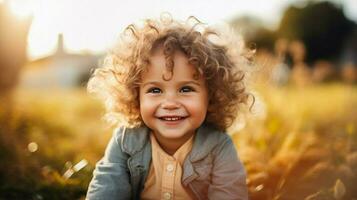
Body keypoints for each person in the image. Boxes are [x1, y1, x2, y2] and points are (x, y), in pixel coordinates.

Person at [86, 14, 252, 200]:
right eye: (155, 90)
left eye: (186, 89)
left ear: (212, 95)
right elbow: (106, 189)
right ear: (136, 95)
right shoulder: (126, 141)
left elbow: (229, 193)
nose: (170, 103)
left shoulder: (219, 147)